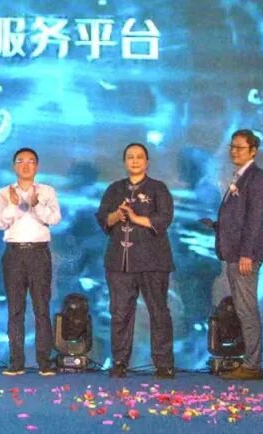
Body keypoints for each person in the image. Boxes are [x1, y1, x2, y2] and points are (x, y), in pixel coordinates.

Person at [95, 143, 175, 379]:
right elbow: (103, 219)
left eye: (139, 157)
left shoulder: (158, 188)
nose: (135, 160)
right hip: (119, 262)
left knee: (158, 312)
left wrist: (135, 217)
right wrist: (117, 215)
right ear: (125, 162)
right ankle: (119, 361)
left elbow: (164, 219)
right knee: (120, 313)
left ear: (147, 162)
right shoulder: (114, 189)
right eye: (130, 157)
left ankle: (163, 363)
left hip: (153, 261)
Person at [201, 129, 263, 380]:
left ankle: (253, 365)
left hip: (245, 256)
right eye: (232, 147)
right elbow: (239, 219)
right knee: (243, 309)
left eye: (240, 147)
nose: (234, 151)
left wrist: (247, 254)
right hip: (235, 253)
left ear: (253, 151)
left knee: (246, 310)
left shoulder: (256, 178)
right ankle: (250, 362)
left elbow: (255, 219)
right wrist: (217, 226)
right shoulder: (240, 176)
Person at [0, 148, 61, 377]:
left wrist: (36, 204)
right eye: (20, 161)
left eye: (30, 161)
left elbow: (54, 218)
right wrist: (14, 205)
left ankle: (45, 361)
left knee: (41, 308)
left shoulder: (47, 191)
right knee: (15, 309)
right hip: (14, 253)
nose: (25, 165)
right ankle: (16, 362)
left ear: (37, 166)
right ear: (14, 166)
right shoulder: (4, 193)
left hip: (39, 253)